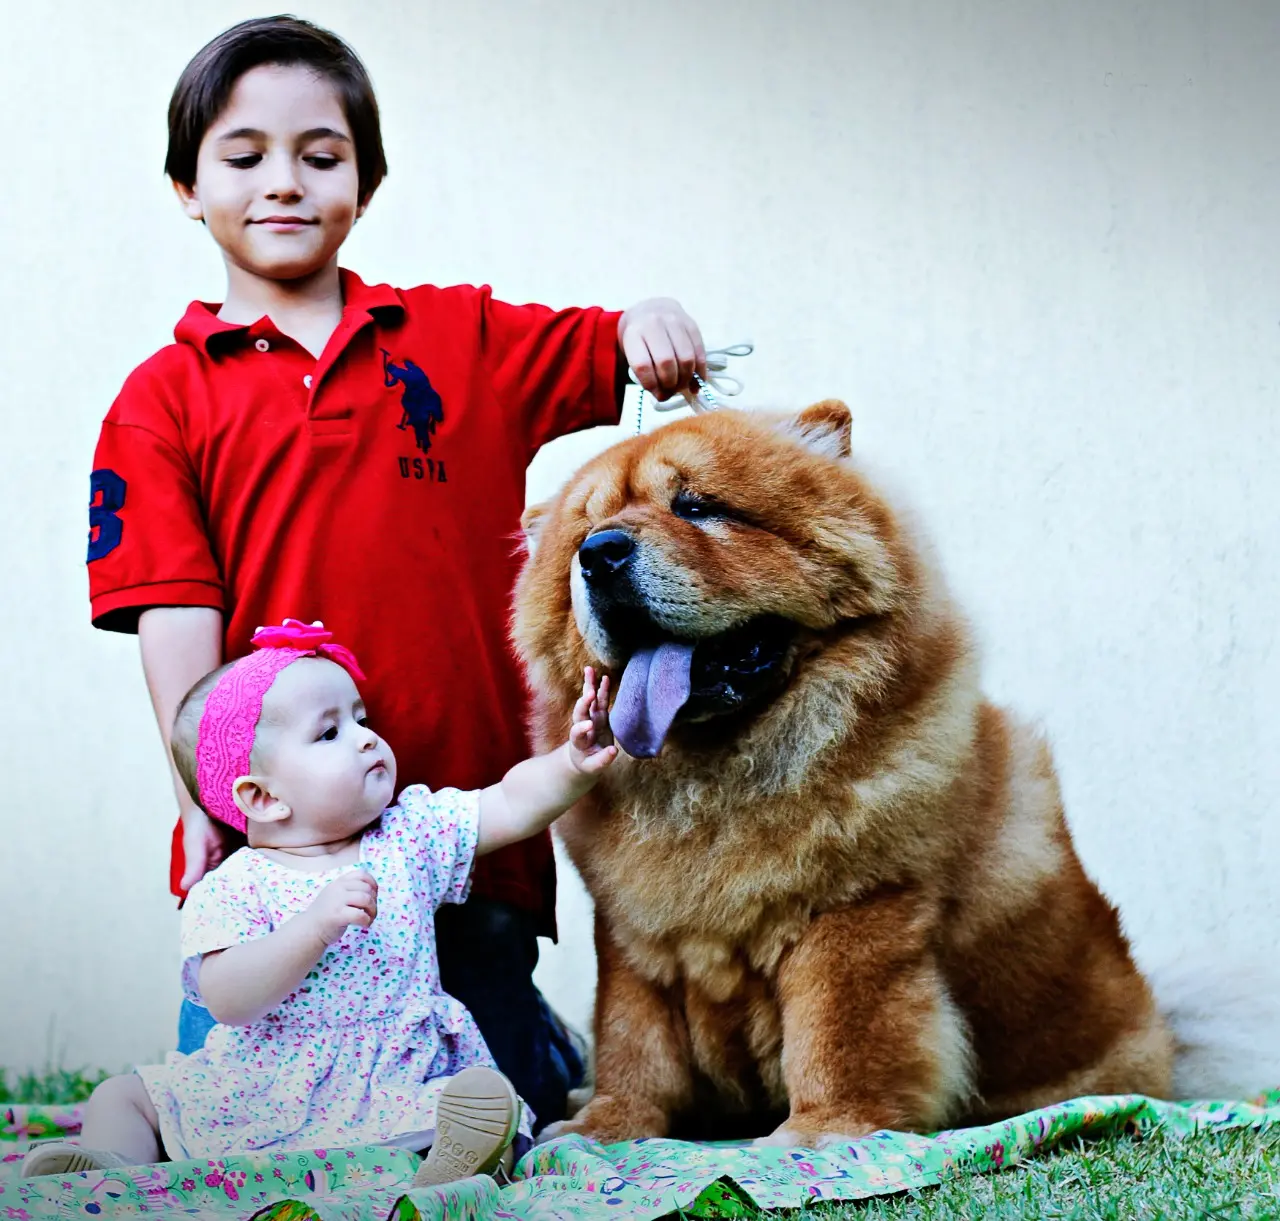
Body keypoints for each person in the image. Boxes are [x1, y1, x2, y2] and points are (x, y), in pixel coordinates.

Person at [85, 15, 707, 1124]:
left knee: (493, 1104)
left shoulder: (459, 339)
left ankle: (529, 1042)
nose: (284, 181)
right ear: (186, 186)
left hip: (467, 831)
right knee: (240, 1115)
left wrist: (652, 322)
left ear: (365, 184)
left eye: (319, 155)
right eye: (244, 156)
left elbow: (610, 339)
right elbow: (178, 623)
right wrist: (205, 806)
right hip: (282, 847)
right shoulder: (160, 402)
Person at [24, 621, 617, 1184]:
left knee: (482, 1101)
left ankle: (452, 1165)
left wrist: (570, 762)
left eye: (361, 719)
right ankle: (109, 1169)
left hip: (393, 1083)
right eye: (330, 733)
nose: (367, 738)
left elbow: (507, 803)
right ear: (263, 798)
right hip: (257, 1091)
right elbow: (227, 997)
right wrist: (311, 928)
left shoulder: (408, 835)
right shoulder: (235, 885)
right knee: (124, 1096)